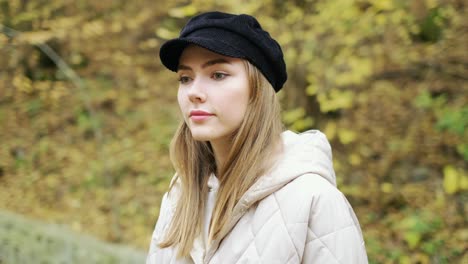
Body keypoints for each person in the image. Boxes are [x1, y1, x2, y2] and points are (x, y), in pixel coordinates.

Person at [147, 11, 368, 264]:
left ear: (257, 91)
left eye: (218, 75)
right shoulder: (180, 193)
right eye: (185, 78)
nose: (193, 92)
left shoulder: (313, 199)